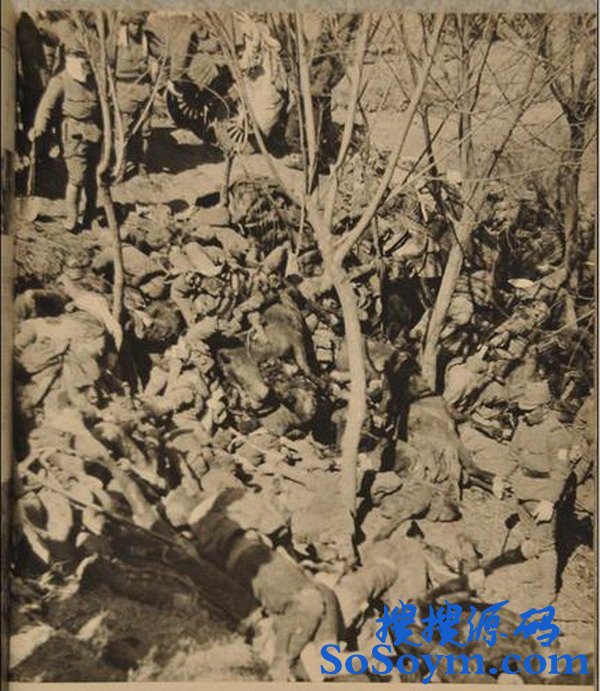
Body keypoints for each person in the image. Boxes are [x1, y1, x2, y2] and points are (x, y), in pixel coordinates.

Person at [492, 380, 574, 606]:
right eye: (524, 409)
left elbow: (560, 472)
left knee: (546, 544)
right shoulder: (523, 425)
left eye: (530, 410)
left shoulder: (558, 434)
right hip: (523, 488)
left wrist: (549, 501)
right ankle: (535, 573)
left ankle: (548, 591)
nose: (525, 414)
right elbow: (513, 456)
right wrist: (501, 477)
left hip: (543, 493)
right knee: (530, 535)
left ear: (545, 408)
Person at [29, 39, 101, 232]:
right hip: (73, 135)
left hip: (94, 133)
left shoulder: (93, 80)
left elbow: (101, 108)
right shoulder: (60, 81)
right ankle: (72, 218)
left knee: (92, 177)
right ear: (69, 58)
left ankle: (90, 216)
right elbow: (46, 107)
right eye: (78, 57)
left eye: (84, 57)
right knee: (77, 177)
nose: (82, 61)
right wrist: (39, 128)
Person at [114, 12, 159, 177]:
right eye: (133, 24)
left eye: (140, 24)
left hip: (145, 91)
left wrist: (160, 78)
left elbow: (164, 56)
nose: (137, 28)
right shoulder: (117, 40)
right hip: (124, 91)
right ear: (127, 24)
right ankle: (121, 167)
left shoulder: (147, 40)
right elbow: (106, 64)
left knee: (146, 132)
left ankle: (142, 165)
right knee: (122, 132)